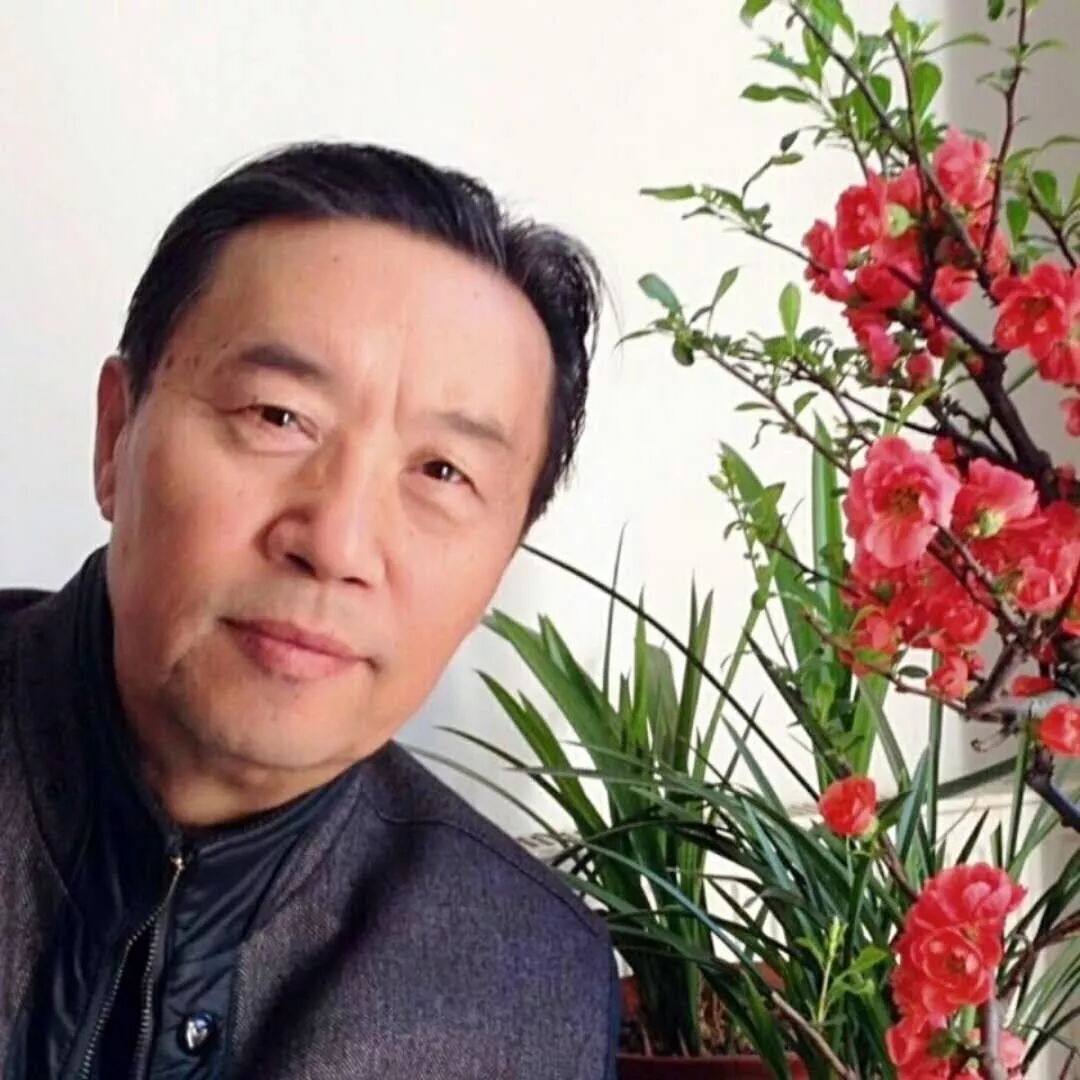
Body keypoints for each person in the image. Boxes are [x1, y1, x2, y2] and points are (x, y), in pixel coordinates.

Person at [0, 142, 620, 1079]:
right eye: (277, 417)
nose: (335, 544)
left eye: (442, 472)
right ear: (116, 435)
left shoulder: (524, 987)